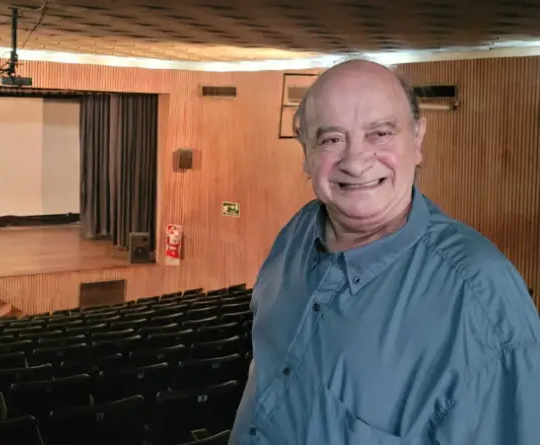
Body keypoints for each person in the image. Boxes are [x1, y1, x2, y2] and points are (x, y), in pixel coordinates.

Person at [230, 59, 540, 444]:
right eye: (331, 139)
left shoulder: (480, 297)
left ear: (417, 138)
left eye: (380, 133)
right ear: (305, 151)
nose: (355, 162)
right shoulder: (295, 234)